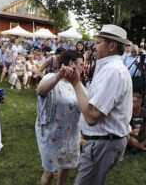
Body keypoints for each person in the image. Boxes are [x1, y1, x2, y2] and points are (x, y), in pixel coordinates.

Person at [66, 24, 133, 185]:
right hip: (103, 142)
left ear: (112, 46)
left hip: (104, 143)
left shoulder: (112, 71)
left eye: (98, 42)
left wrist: (75, 83)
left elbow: (92, 116)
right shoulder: (107, 67)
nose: (94, 46)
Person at [35, 50, 84, 185]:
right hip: (52, 134)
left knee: (66, 166)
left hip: (71, 134)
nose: (83, 67)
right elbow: (40, 91)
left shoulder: (77, 84)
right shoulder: (51, 77)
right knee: (50, 172)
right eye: (81, 64)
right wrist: (58, 77)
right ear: (71, 63)